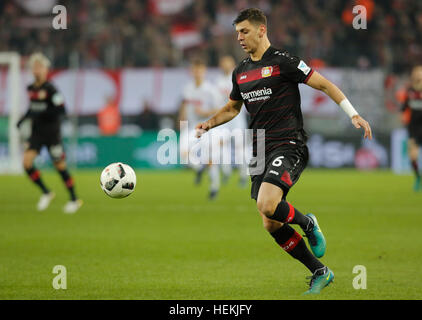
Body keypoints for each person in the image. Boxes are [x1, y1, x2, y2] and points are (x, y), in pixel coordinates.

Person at [195, 8, 372, 294]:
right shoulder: (240, 72)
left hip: (288, 143)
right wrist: (209, 124)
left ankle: (307, 222)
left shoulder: (284, 61)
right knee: (270, 222)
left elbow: (324, 84)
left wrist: (353, 114)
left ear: (261, 30)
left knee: (267, 203)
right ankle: (320, 271)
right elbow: (232, 108)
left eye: (244, 31)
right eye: (237, 32)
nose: (239, 37)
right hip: (259, 148)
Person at [17, 53, 83, 214]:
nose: (36, 70)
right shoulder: (31, 89)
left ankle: (74, 199)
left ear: (46, 70)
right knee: (26, 163)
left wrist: (43, 112)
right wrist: (22, 120)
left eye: (40, 67)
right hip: (36, 134)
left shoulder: (51, 89)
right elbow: (32, 109)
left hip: (52, 134)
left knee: (60, 167)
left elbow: (61, 109)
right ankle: (46, 192)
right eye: (34, 67)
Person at [178, 58, 221, 200]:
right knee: (184, 155)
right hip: (191, 127)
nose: (197, 73)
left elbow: (220, 109)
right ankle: (198, 168)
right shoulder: (187, 88)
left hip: (207, 127)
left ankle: (214, 187)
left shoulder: (211, 90)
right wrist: (182, 118)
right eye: (195, 70)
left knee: (210, 160)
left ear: (204, 72)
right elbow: (184, 105)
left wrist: (204, 113)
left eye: (200, 70)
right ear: (192, 72)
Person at [215, 55, 249, 187]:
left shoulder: (239, 78)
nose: (224, 65)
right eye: (222, 63)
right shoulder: (218, 81)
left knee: (240, 148)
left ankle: (243, 175)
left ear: (232, 64)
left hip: (237, 118)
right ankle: (226, 171)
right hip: (224, 119)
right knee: (222, 146)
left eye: (227, 63)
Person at [401, 65, 422, 191]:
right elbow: (403, 108)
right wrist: (403, 117)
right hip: (413, 128)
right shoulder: (410, 91)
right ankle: (418, 178)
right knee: (413, 156)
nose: (419, 75)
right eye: (417, 73)